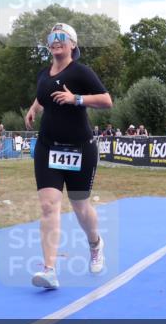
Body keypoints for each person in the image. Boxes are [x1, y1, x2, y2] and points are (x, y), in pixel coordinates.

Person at [24, 22, 113, 290]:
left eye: (62, 37)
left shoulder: (81, 72)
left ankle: (95, 243)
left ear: (73, 44)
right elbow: (44, 95)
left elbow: (107, 101)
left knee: (80, 206)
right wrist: (33, 109)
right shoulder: (44, 73)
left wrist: (77, 99)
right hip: (48, 147)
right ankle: (49, 270)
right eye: (52, 36)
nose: (56, 40)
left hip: (79, 149)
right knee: (49, 205)